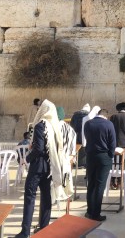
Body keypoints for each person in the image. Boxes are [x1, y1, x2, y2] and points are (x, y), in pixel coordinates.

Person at [14, 100, 68, 238]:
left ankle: (25, 231)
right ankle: (44, 228)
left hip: (37, 166)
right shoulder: (53, 125)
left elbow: (38, 148)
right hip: (49, 166)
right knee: (46, 196)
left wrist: (26, 159)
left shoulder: (40, 126)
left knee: (30, 196)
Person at [83, 108, 115, 222]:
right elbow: (112, 142)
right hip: (104, 156)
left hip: (90, 156)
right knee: (100, 185)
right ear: (106, 116)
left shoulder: (88, 124)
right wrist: (110, 155)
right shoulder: (109, 124)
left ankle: (89, 211)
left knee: (91, 184)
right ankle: (96, 214)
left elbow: (86, 138)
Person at [56, 106, 76, 201]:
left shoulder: (54, 128)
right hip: (67, 160)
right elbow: (72, 148)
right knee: (65, 180)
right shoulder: (70, 129)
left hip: (55, 160)